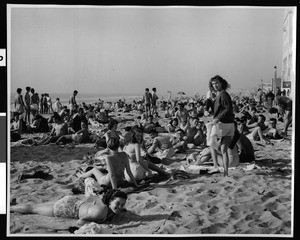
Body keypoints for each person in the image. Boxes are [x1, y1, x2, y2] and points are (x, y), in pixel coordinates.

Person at [10, 188, 129, 226]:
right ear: (111, 201)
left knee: (35, 206)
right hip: (67, 209)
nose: (119, 207)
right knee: (33, 209)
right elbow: (80, 221)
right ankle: (9, 208)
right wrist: (96, 225)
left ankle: (14, 205)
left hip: (73, 202)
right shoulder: (102, 212)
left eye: (122, 204)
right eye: (117, 203)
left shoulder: (104, 202)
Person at [208, 75, 235, 177]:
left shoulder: (222, 94)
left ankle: (215, 167)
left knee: (211, 144)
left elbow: (227, 108)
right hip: (230, 125)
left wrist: (217, 119)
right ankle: (226, 172)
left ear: (222, 83)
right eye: (213, 83)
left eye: (217, 83)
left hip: (222, 123)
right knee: (223, 149)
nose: (215, 85)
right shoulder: (223, 94)